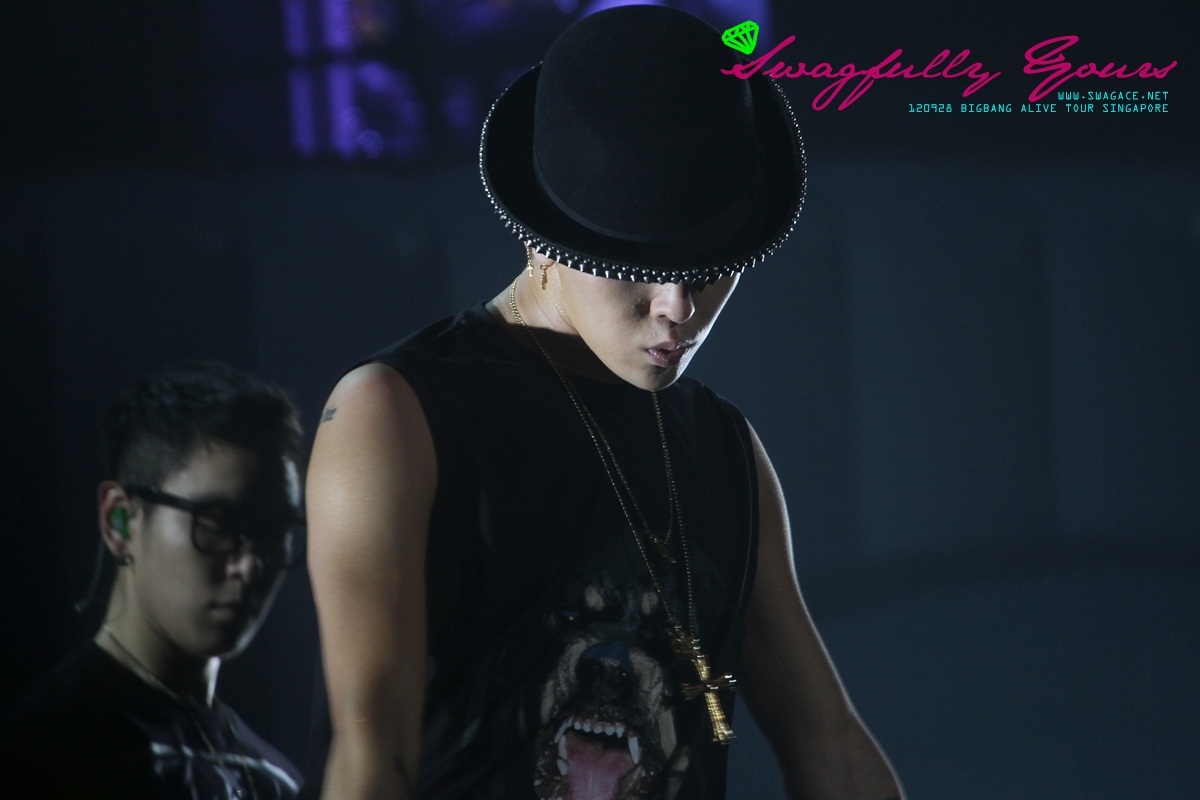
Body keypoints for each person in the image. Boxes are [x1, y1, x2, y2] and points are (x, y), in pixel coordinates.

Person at [304, 6, 903, 799]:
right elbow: (371, 758)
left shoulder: (724, 448)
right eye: (639, 268)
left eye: (708, 270)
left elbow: (831, 746)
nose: (677, 308)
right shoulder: (398, 414)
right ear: (541, 238)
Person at [0, 361, 306, 799]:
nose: (251, 565)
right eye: (219, 523)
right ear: (121, 520)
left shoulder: (277, 780)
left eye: (274, 533)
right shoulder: (43, 754)